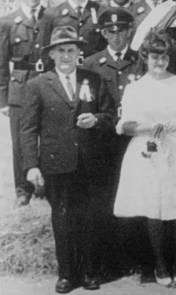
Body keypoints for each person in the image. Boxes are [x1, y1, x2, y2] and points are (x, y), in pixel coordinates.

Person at [20, 26, 116, 293]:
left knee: (89, 217)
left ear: (78, 53)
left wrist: (96, 119)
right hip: (56, 163)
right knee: (62, 217)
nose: (65, 55)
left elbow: (110, 115)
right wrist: (31, 166)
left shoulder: (93, 80)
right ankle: (66, 273)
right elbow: (28, 129)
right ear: (51, 54)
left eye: (70, 50)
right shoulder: (37, 85)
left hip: (89, 162)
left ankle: (89, 271)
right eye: (60, 50)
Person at [112, 29, 176, 287]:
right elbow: (124, 126)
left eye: (164, 57)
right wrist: (148, 127)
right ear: (145, 58)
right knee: (154, 207)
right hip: (148, 151)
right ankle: (160, 265)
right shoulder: (135, 88)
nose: (160, 62)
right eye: (155, 57)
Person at [82, 8, 145, 272]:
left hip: (135, 137)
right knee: (106, 196)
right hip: (105, 140)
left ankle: (139, 257)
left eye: (121, 31)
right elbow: (87, 104)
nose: (116, 36)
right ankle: (111, 260)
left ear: (129, 32)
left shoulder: (141, 60)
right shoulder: (91, 64)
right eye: (110, 31)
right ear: (104, 33)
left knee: (138, 194)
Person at [1, 0, 45, 206]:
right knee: (20, 138)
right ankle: (23, 188)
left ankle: (45, 182)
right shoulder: (8, 22)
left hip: (45, 81)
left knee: (47, 133)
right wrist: (3, 99)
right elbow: (1, 63)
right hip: (20, 85)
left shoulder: (50, 17)